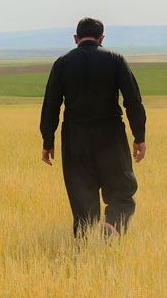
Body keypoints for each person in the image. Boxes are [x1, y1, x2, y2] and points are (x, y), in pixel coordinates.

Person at [39, 17, 147, 237]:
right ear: (102, 38)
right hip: (110, 138)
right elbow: (133, 101)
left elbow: (51, 105)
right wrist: (139, 136)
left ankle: (83, 252)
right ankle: (113, 227)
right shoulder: (116, 60)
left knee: (82, 198)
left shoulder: (62, 63)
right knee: (121, 192)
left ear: (76, 38)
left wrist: (48, 141)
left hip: (75, 139)